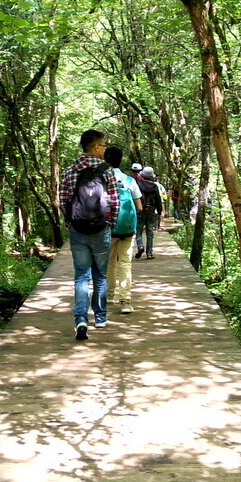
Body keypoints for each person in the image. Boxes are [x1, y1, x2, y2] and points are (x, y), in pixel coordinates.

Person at [59, 129, 119, 340]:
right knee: (100, 275)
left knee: (81, 275)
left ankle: (81, 319)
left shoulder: (69, 171)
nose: (104, 149)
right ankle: (100, 317)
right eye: (103, 145)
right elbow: (114, 201)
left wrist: (70, 223)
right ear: (95, 147)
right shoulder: (107, 171)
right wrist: (109, 223)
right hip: (100, 229)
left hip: (78, 229)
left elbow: (64, 200)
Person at [103, 146, 142, 314]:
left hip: (108, 227)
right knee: (125, 263)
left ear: (105, 160)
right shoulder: (129, 181)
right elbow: (139, 207)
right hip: (127, 228)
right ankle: (125, 301)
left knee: (109, 262)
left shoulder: (102, 179)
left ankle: (109, 294)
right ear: (121, 160)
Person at [135, 166, 163, 259]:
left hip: (141, 209)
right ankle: (149, 253)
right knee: (150, 231)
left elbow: (136, 197)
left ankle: (140, 245)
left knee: (138, 230)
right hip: (151, 210)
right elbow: (158, 200)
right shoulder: (154, 186)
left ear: (142, 176)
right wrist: (159, 212)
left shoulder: (138, 185)